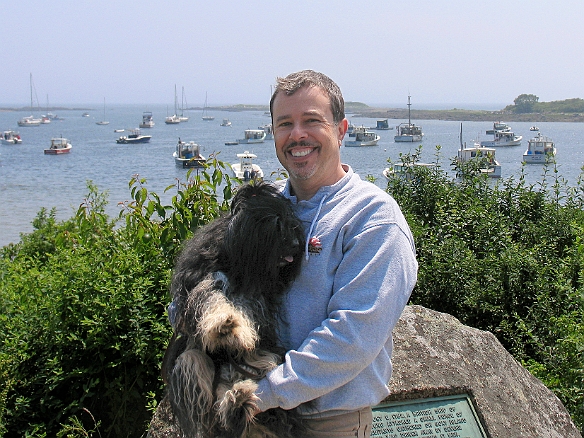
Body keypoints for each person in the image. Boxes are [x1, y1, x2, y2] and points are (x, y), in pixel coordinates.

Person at [253, 69, 418, 437]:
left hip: (325, 423)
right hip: (251, 418)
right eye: (285, 124)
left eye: (312, 121)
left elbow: (353, 336)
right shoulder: (261, 208)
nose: (297, 135)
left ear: (341, 130)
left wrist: (261, 393)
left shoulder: (373, 217)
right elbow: (220, 275)